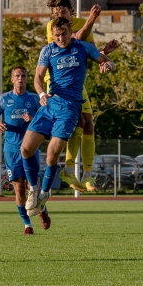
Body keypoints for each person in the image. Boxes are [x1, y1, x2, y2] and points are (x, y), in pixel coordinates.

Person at [21, 17, 115, 217]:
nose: (60, 38)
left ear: (70, 31)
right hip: (49, 104)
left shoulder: (82, 47)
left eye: (63, 34)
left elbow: (106, 60)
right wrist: (41, 94)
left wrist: (108, 65)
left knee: (52, 155)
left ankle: (45, 193)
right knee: (26, 149)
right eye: (56, 35)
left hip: (70, 108)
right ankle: (33, 189)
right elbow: (38, 77)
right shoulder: (48, 50)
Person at [44, 0, 118, 193]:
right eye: (57, 13)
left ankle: (86, 175)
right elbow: (72, 40)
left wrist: (104, 55)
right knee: (77, 122)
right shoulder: (53, 27)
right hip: (58, 82)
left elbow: (87, 50)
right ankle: (68, 169)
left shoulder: (78, 23)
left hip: (75, 80)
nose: (61, 16)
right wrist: (91, 20)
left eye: (64, 11)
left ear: (71, 10)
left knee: (88, 123)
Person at [0, 66, 50, 234]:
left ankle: (42, 210)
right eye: (17, 76)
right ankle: (27, 224)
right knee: (19, 189)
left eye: (23, 75)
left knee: (33, 186)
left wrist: (33, 119)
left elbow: (45, 118)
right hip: (11, 150)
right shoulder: (4, 99)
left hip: (30, 148)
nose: (20, 78)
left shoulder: (34, 99)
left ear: (27, 79)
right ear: (12, 79)